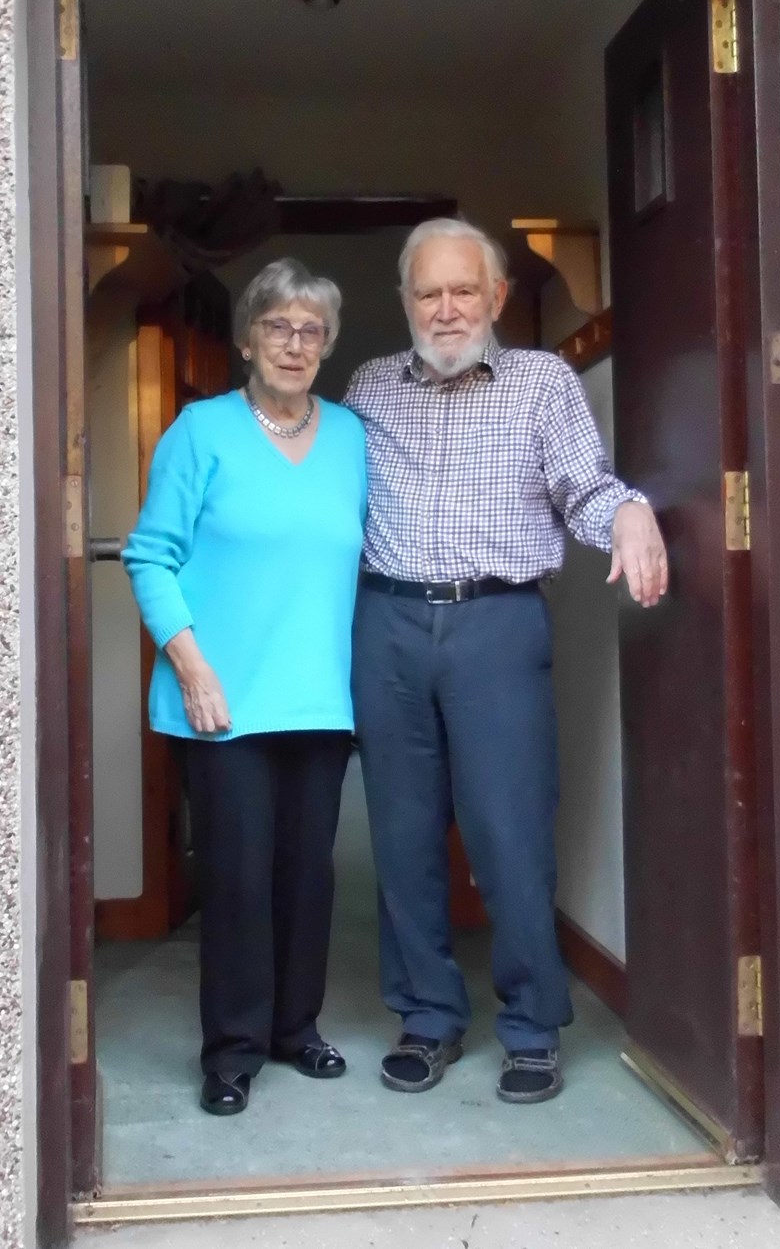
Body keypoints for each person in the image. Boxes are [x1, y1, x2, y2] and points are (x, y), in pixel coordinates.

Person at [345, 218, 667, 1105]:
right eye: (427, 293)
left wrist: (631, 514)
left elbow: (587, 488)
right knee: (403, 836)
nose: (445, 310)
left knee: (511, 833)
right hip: (389, 624)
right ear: (406, 303)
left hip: (497, 625)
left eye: (462, 291)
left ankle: (531, 1027)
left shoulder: (543, 383)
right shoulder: (370, 387)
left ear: (495, 297)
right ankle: (427, 1017)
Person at [123, 258, 366, 1116]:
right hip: (220, 700)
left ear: (328, 344)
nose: (295, 344)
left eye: (311, 330)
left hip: (321, 701)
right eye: (278, 326)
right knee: (237, 877)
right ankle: (230, 1050)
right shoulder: (201, 431)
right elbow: (151, 554)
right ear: (247, 338)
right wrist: (193, 669)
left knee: (310, 875)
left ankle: (295, 1029)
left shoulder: (352, 438)